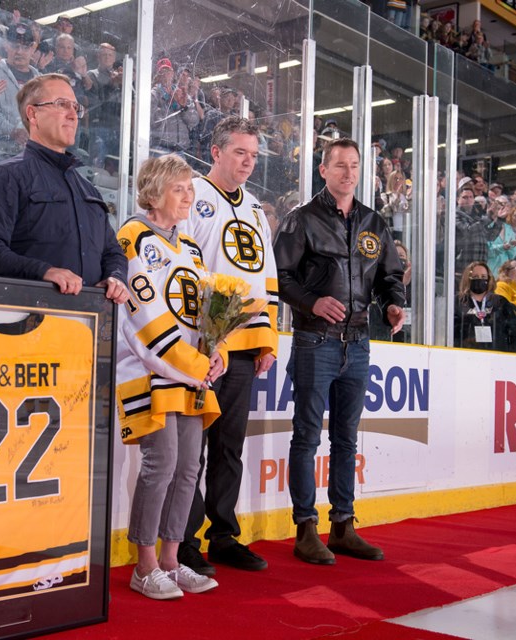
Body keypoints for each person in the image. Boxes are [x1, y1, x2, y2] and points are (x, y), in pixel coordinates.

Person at [273, 138, 406, 565]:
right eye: (340, 166)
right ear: (323, 170)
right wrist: (311, 302)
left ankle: (343, 526)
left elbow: (389, 274)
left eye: (354, 166)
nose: (348, 173)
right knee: (307, 437)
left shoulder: (374, 222)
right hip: (315, 341)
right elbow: (280, 277)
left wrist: (392, 302)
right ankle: (305, 529)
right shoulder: (301, 220)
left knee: (347, 440)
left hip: (359, 343)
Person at [115, 154, 223, 600]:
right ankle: (143, 566)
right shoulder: (133, 236)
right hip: (151, 370)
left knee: (187, 470)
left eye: (190, 189)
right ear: (155, 191)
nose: (189, 197)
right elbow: (142, 318)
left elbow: (203, 313)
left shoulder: (192, 247)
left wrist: (215, 351)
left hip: (191, 373)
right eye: (180, 189)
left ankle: (171, 561)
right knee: (160, 467)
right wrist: (192, 365)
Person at [175, 117, 279, 576]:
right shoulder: (191, 196)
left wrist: (268, 339)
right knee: (189, 449)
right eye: (240, 152)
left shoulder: (256, 208)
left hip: (242, 347)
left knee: (229, 445)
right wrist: (192, 338)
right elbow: (181, 269)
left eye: (254, 155)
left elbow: (266, 279)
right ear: (215, 152)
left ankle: (222, 536)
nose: (248, 162)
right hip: (198, 347)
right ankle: (183, 538)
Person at [0, 74, 129, 303]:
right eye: (61, 104)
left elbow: (112, 251)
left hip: (88, 325)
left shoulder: (87, 189)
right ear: (32, 114)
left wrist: (115, 277)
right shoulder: (6, 177)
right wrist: (43, 271)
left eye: (75, 107)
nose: (72, 115)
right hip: (27, 324)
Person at [0, 25, 42, 170]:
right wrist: (12, 131)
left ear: (33, 48)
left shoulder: (40, 81)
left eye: (25, 47)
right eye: (15, 46)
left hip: (31, 157)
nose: (19, 51)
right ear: (7, 45)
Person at [454, 261, 516, 352]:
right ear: (468, 279)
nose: (480, 279)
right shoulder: (458, 302)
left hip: (497, 358)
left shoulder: (500, 302)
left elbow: (514, 333)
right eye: (475, 277)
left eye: (483, 277)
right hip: (465, 356)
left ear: (489, 279)